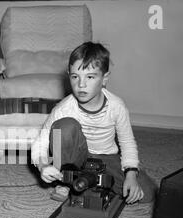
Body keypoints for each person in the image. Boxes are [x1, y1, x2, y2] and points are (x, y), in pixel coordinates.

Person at [31, 42, 157, 204]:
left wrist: (131, 174)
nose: (81, 84)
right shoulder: (64, 108)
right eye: (75, 76)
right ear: (69, 75)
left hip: (106, 158)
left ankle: (93, 184)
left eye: (90, 77)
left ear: (104, 78)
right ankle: (68, 182)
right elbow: (40, 141)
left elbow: (127, 143)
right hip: (77, 159)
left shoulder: (116, 106)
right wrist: (42, 166)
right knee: (64, 126)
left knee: (147, 194)